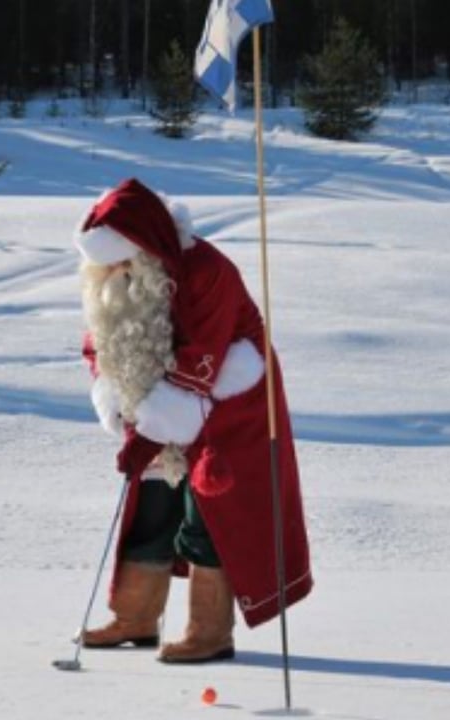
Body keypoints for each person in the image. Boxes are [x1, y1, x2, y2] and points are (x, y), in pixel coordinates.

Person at [74, 177, 312, 664]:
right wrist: (122, 408)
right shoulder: (113, 279)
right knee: (150, 508)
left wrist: (154, 425)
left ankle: (210, 631)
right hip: (156, 404)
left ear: (147, 248)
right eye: (106, 264)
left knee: (210, 513)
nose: (114, 272)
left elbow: (204, 352)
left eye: (121, 261)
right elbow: (100, 344)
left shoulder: (206, 270)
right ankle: (136, 617)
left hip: (230, 402)